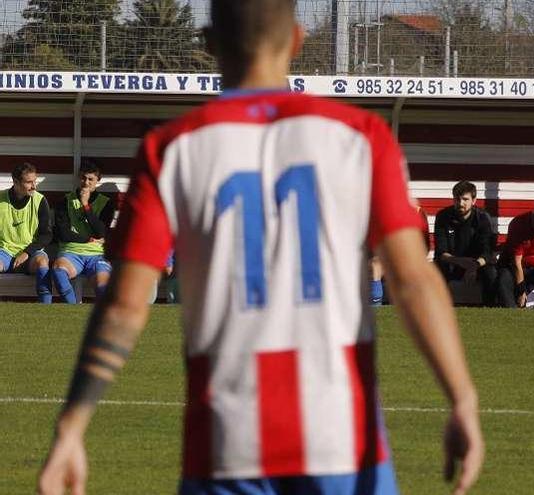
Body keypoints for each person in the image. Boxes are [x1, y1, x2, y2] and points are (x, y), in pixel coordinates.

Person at [37, 2, 483, 495]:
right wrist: (460, 398)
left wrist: (72, 426)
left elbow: (124, 303)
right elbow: (413, 278)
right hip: (342, 438)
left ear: (207, 45)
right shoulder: (360, 137)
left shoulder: (172, 148)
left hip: (226, 442)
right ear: (296, 39)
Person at [51, 160, 116, 303]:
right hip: (71, 252)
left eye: (90, 179)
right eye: (83, 178)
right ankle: (73, 310)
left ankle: (102, 319)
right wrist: (88, 239)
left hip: (97, 254)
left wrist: (86, 205)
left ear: (98, 180)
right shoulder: (65, 201)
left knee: (103, 285)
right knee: (58, 270)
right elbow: (63, 234)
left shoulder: (106, 202)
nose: (86, 182)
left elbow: (101, 232)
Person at [433, 181, 498, 306]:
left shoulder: (483, 218)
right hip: (452, 262)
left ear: (474, 201)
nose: (460, 203)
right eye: (457, 199)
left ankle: (490, 309)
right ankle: (437, 309)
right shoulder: (443, 217)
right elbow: (441, 252)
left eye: (465, 199)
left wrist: (474, 265)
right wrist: (460, 261)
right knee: (435, 270)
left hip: (477, 264)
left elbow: (488, 251)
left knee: (492, 274)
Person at [0, 161, 53, 302]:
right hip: (5, 252)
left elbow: (47, 235)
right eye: (29, 182)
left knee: (42, 262)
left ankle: (46, 308)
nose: (34, 186)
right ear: (16, 182)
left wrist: (26, 252)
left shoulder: (40, 200)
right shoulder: (1, 198)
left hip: (31, 253)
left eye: (35, 181)